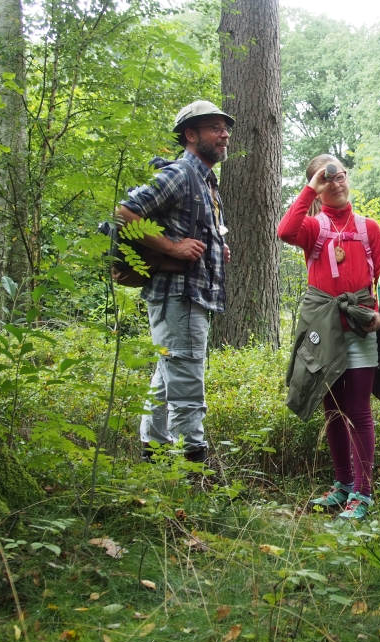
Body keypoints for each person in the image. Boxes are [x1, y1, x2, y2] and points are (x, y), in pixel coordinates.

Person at [116, 100, 233, 464]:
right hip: (178, 296)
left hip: (190, 295)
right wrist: (172, 247)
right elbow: (123, 213)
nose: (224, 134)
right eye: (215, 127)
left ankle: (153, 452)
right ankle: (193, 466)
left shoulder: (206, 182)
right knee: (186, 379)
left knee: (169, 376)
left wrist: (216, 245)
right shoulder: (181, 173)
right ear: (191, 134)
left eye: (225, 128)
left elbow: (188, 227)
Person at [278, 154, 380, 520]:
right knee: (332, 410)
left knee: (358, 410)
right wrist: (311, 188)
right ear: (317, 187)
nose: (336, 182)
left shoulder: (367, 227)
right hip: (324, 332)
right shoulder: (313, 228)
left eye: (339, 175)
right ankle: (343, 485)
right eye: (327, 180)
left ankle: (363, 492)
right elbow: (285, 231)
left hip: (359, 328)